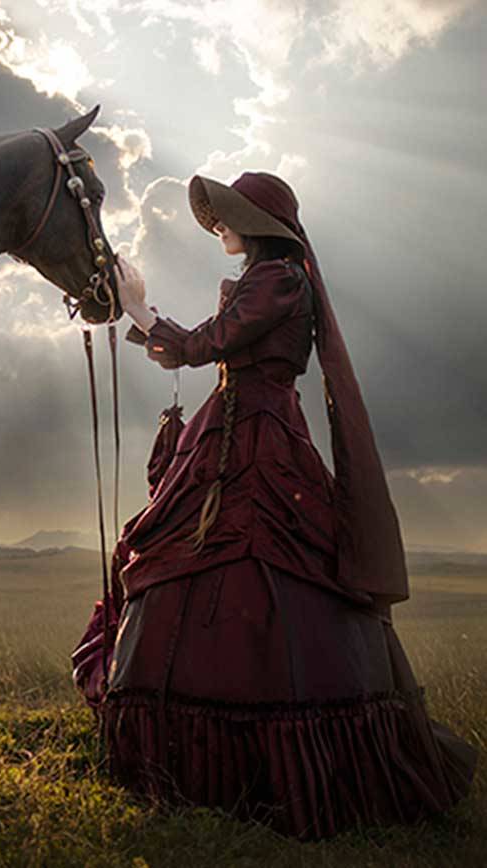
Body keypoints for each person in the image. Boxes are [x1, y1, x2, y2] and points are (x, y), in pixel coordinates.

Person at [71, 171, 477, 839]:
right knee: (198, 564)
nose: (218, 227)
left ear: (262, 224)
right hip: (235, 429)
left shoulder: (279, 276)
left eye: (228, 216)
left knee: (257, 571)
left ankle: (241, 769)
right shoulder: (272, 278)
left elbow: (205, 345)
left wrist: (139, 307)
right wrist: (141, 317)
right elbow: (211, 346)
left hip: (257, 443)